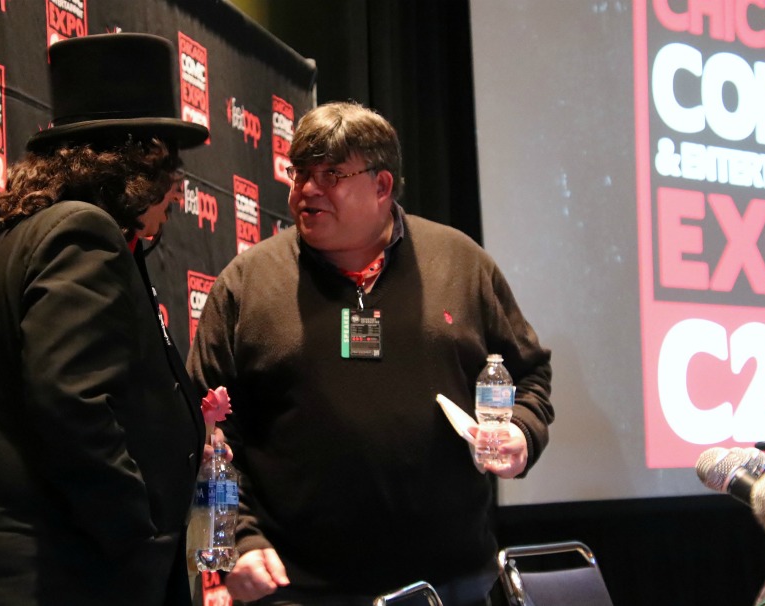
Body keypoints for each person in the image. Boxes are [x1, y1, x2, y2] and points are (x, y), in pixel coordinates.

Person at [187, 101, 554, 606]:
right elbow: (206, 432)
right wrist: (236, 541)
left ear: (382, 186)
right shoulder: (247, 284)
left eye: (331, 175)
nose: (307, 190)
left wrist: (523, 431)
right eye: (300, 173)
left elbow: (529, 374)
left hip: (454, 584)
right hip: (299, 590)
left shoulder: (461, 264)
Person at [0, 33, 210, 606]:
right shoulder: (81, 232)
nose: (177, 192)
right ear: (140, 162)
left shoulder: (32, 234)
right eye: (171, 167)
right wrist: (137, 531)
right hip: (69, 576)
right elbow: (69, 402)